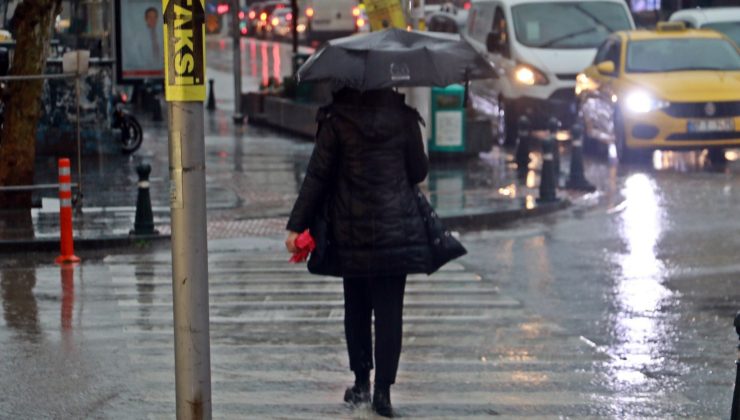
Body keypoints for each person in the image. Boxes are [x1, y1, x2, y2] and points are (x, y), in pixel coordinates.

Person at [285, 87, 431, 418]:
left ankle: (362, 382)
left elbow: (317, 177)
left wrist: (296, 226)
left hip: (351, 230)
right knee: (390, 311)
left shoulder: (337, 121)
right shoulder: (404, 118)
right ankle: (383, 392)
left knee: (357, 307)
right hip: (396, 231)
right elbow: (418, 171)